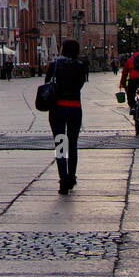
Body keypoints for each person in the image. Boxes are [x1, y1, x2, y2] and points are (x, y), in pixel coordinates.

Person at [43, 39, 89, 195]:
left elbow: (47, 83)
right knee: (73, 143)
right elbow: (80, 85)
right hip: (75, 107)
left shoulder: (54, 66)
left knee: (61, 143)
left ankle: (63, 180)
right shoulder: (81, 66)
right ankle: (72, 177)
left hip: (57, 108)